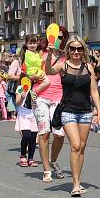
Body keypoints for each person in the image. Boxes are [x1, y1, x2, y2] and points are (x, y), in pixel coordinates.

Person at [44, 35, 100, 197]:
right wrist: (49, 55)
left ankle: (77, 180)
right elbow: (48, 71)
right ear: (68, 50)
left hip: (85, 111)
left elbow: (93, 91)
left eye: (79, 49)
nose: (76, 52)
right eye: (72, 48)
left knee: (82, 148)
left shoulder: (89, 67)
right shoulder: (63, 66)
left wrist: (99, 111)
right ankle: (75, 185)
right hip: (68, 110)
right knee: (75, 145)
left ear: (83, 50)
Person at [34, 34, 67, 182]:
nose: (57, 38)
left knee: (59, 134)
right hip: (41, 95)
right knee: (44, 133)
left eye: (60, 36)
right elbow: (30, 73)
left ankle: (53, 160)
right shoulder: (40, 53)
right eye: (54, 35)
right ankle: (46, 169)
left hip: (58, 97)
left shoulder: (67, 56)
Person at [15, 81, 40, 167]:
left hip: (33, 114)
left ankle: (31, 158)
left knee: (33, 137)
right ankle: (23, 156)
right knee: (26, 135)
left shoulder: (36, 87)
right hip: (23, 114)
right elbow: (17, 103)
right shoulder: (20, 88)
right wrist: (22, 97)